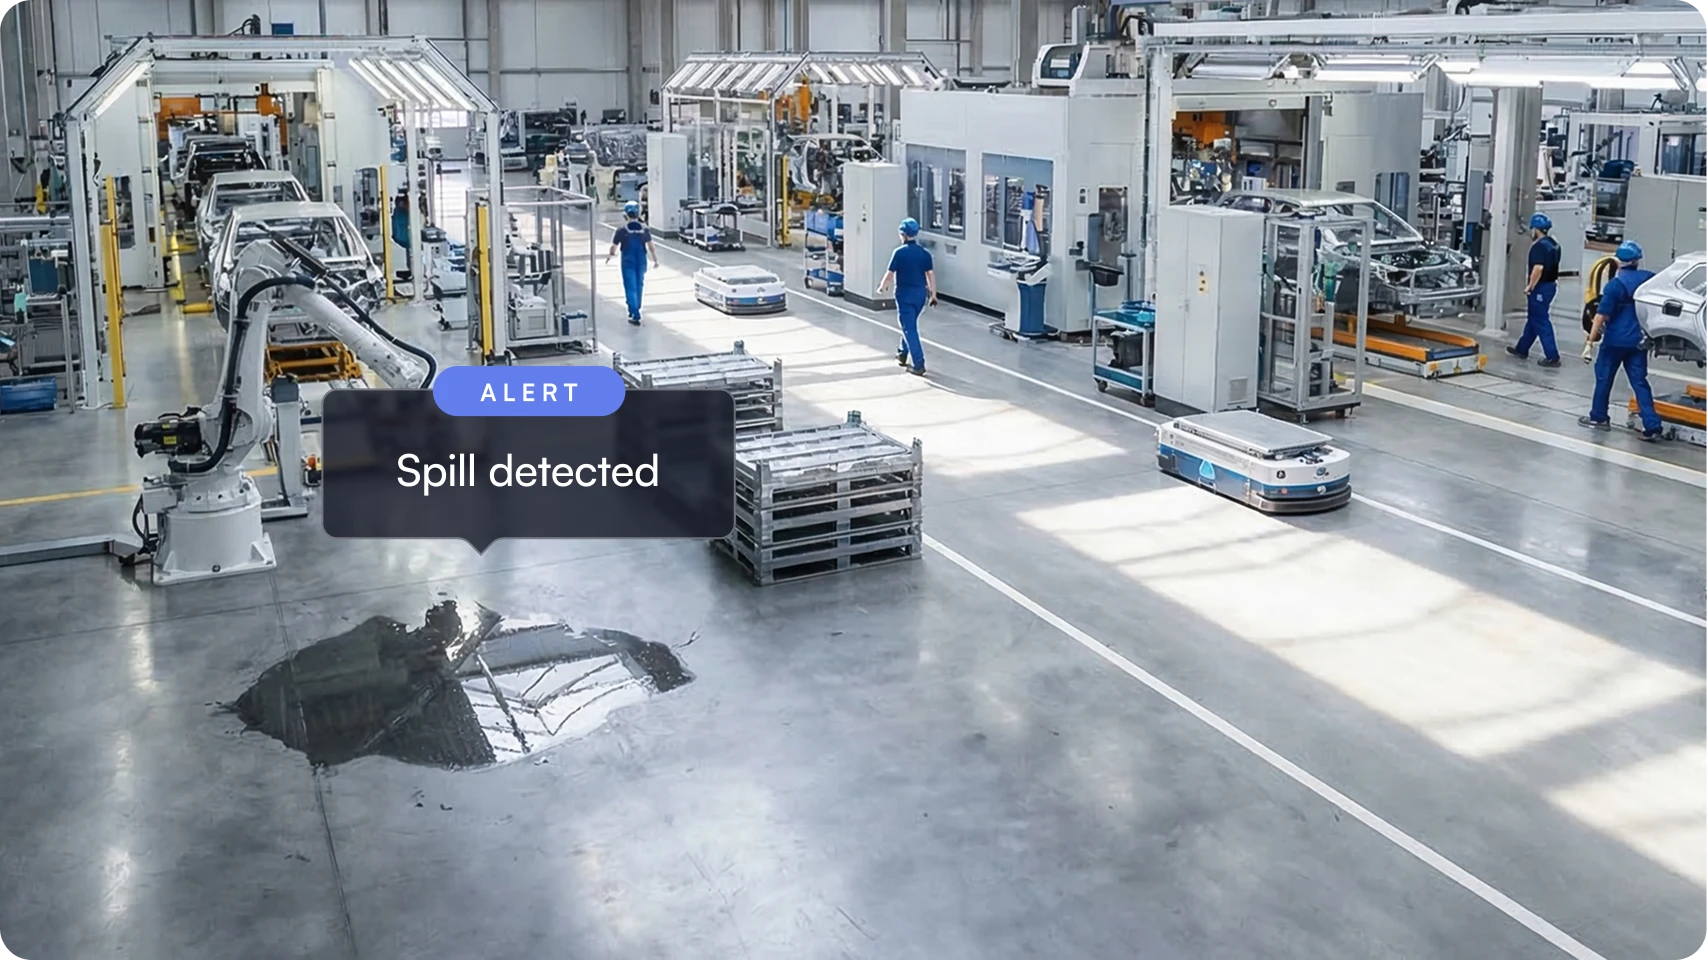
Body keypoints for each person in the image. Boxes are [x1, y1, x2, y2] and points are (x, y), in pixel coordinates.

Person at [1580, 240, 1663, 441]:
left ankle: (1599, 417)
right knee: (1640, 382)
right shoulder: (1649, 279)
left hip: (1614, 341)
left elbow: (1601, 316)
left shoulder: (1614, 286)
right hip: (1639, 341)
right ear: (1637, 260)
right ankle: (1652, 424)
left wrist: (1590, 342)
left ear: (1618, 261)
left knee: (1604, 378)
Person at [876, 217, 936, 377]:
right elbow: (930, 275)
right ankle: (902, 354)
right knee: (909, 324)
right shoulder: (924, 254)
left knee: (909, 328)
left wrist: (882, 287)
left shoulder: (899, 253)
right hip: (920, 296)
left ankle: (919, 364)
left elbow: (890, 274)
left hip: (904, 295)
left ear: (902, 234)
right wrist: (933, 295)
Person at [1506, 212, 1563, 367]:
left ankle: (1552, 356)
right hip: (1551, 286)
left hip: (1540, 289)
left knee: (1541, 321)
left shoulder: (1538, 247)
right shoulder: (1554, 244)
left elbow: (1538, 268)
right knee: (1533, 320)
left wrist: (1530, 286)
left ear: (1536, 229)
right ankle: (1522, 349)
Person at [605, 201, 658, 325]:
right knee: (639, 285)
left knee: (630, 286)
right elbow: (651, 246)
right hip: (641, 261)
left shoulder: (621, 230)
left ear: (626, 214)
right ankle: (636, 307)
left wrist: (610, 256)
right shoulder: (644, 229)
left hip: (628, 261)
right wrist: (655, 260)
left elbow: (613, 248)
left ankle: (634, 313)